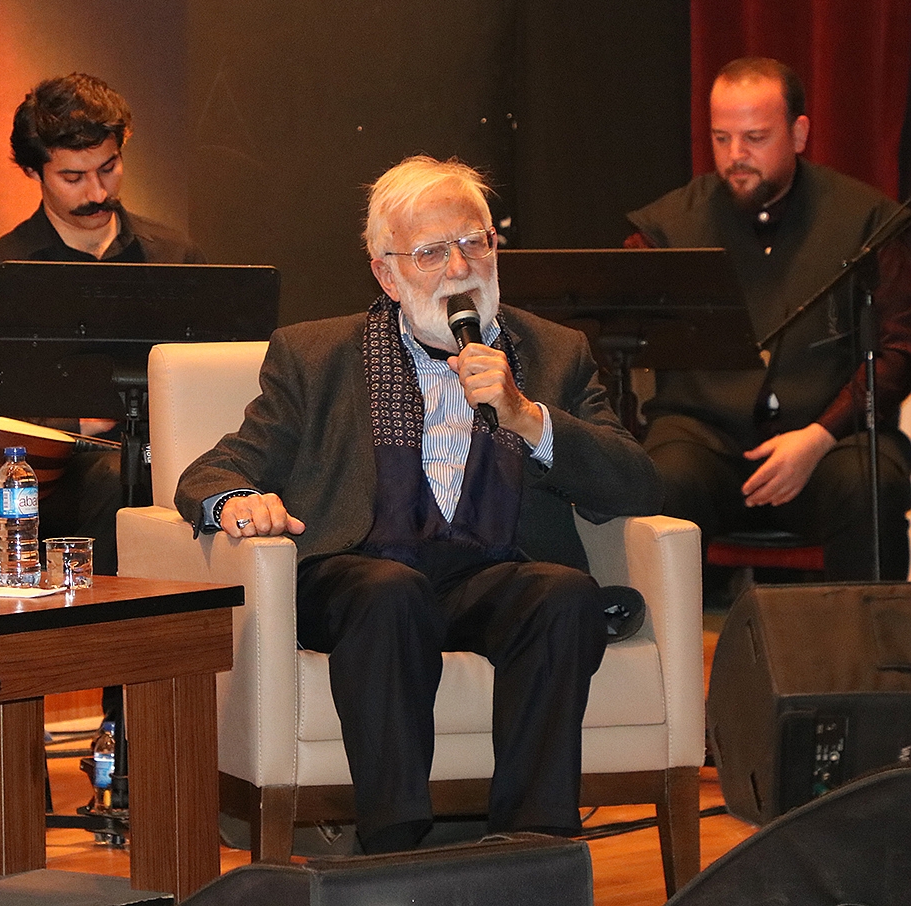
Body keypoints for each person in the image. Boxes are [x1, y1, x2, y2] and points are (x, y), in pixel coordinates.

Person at [175, 155, 662, 853]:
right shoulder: (315, 356)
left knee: (563, 595)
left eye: (474, 243)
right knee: (390, 592)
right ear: (386, 273)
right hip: (360, 576)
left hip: (487, 575)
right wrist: (237, 502)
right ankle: (394, 850)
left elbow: (636, 485)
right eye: (432, 252)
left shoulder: (555, 352)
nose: (460, 268)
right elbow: (216, 470)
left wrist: (529, 419)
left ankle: (534, 852)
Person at [627, 57, 911, 581]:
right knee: (662, 478)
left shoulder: (868, 221)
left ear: (799, 134)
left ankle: (869, 636)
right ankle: (657, 636)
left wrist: (820, 435)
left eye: (755, 138)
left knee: (870, 483)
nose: (736, 156)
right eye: (721, 138)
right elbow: (616, 338)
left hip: (832, 442)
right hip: (704, 444)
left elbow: (899, 349)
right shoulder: (664, 231)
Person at [0, 72, 205, 578]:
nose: (98, 192)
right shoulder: (3, 273)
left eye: (109, 168)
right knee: (113, 480)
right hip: (53, 475)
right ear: (34, 171)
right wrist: (74, 427)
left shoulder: (175, 257)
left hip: (166, 456)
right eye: (73, 177)